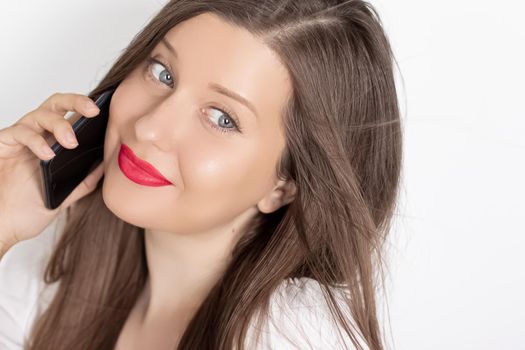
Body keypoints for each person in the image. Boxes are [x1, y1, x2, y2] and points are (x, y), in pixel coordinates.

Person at [0, 0, 402, 349]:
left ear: (285, 186)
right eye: (162, 73)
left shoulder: (295, 336)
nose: (149, 127)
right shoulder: (52, 278)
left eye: (222, 118)